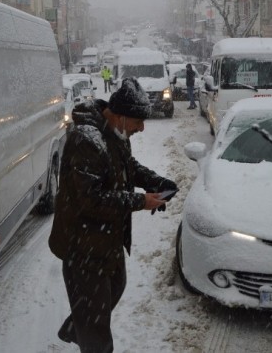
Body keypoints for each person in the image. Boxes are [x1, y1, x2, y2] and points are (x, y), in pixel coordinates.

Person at [48, 77, 177, 353]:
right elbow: (91, 199)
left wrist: (156, 182)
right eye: (137, 122)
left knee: (117, 285)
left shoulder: (114, 133)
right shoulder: (86, 141)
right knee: (98, 333)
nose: (142, 128)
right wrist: (140, 201)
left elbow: (128, 166)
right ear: (119, 116)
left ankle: (79, 326)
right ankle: (87, 331)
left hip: (106, 240)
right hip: (83, 246)